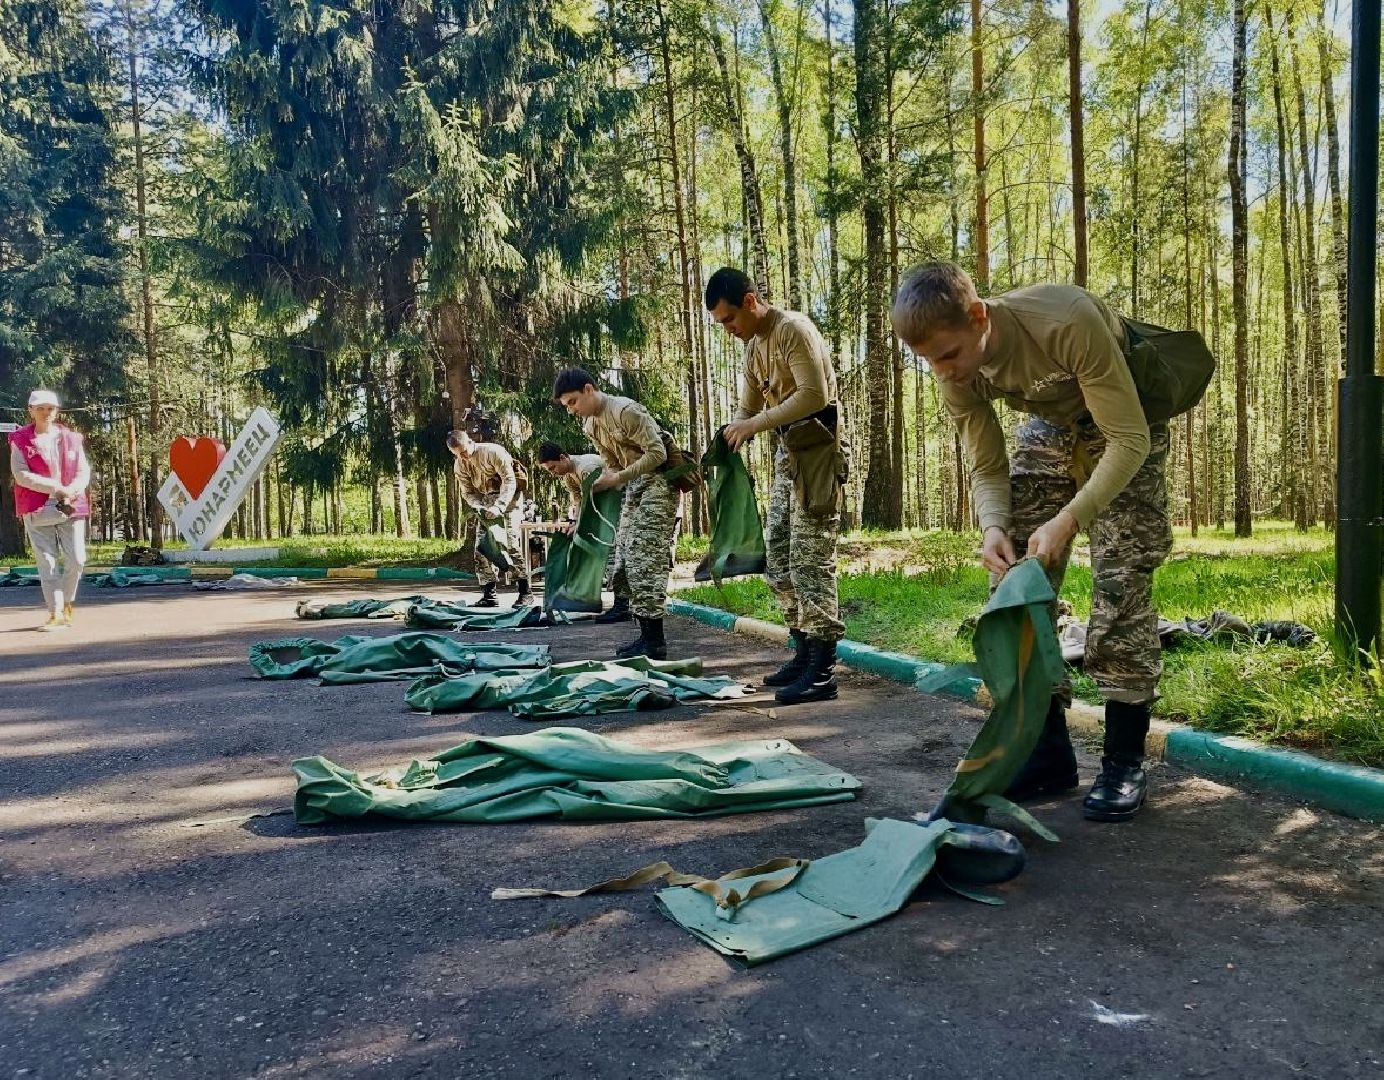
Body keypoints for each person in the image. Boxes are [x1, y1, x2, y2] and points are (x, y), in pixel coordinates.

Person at [891, 261, 1174, 823]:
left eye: (948, 355)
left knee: (1121, 579)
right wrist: (994, 526)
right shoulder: (952, 371)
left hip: (1122, 422)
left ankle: (1123, 761)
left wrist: (1070, 518)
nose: (942, 371)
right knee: (1016, 576)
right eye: (928, 362)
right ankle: (1045, 754)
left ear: (978, 317)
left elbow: (1128, 438)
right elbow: (987, 463)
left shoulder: (1063, 319)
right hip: (1049, 424)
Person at [704, 267, 845, 706]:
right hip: (787, 456)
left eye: (729, 320)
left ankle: (822, 670)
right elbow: (747, 408)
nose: (728, 331)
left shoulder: (793, 330)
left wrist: (753, 424)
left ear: (750, 301)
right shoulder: (752, 350)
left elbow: (813, 395)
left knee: (811, 560)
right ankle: (803, 652)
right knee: (779, 559)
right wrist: (728, 436)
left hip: (819, 451)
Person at [552, 368, 676, 659]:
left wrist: (617, 478)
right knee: (625, 560)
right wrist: (604, 480)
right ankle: (645, 635)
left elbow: (658, 454)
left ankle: (656, 641)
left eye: (572, 402)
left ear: (588, 389)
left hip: (659, 482)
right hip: (634, 486)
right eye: (566, 406)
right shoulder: (591, 426)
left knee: (645, 556)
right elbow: (610, 463)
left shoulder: (625, 411)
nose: (571, 410)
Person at [8, 390, 92, 631]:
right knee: (48, 562)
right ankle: (55, 612)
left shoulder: (71, 438)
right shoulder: (20, 440)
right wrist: (55, 488)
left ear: (56, 411)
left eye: (50, 408)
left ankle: (67, 602)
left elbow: (83, 471)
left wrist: (71, 490)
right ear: (30, 410)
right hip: (36, 507)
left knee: (77, 558)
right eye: (40, 408)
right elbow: (21, 474)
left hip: (71, 505)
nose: (46, 412)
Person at [536, 441, 630, 623]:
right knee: (607, 553)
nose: (553, 472)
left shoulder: (587, 467)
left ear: (563, 457)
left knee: (615, 553)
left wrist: (580, 526)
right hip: (601, 508)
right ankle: (618, 603)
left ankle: (622, 605)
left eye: (553, 467)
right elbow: (579, 501)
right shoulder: (569, 476)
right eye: (550, 470)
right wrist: (574, 523)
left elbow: (594, 498)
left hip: (618, 502)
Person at [447, 429, 530, 607]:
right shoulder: (460, 465)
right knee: (482, 547)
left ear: (469, 442)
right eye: (457, 455)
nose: (463, 457)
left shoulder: (493, 452)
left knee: (510, 544)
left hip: (508, 500)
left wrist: (499, 506)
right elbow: (467, 492)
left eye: (463, 452)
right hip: (485, 502)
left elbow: (510, 480)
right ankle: (489, 594)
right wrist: (480, 506)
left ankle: (525, 592)